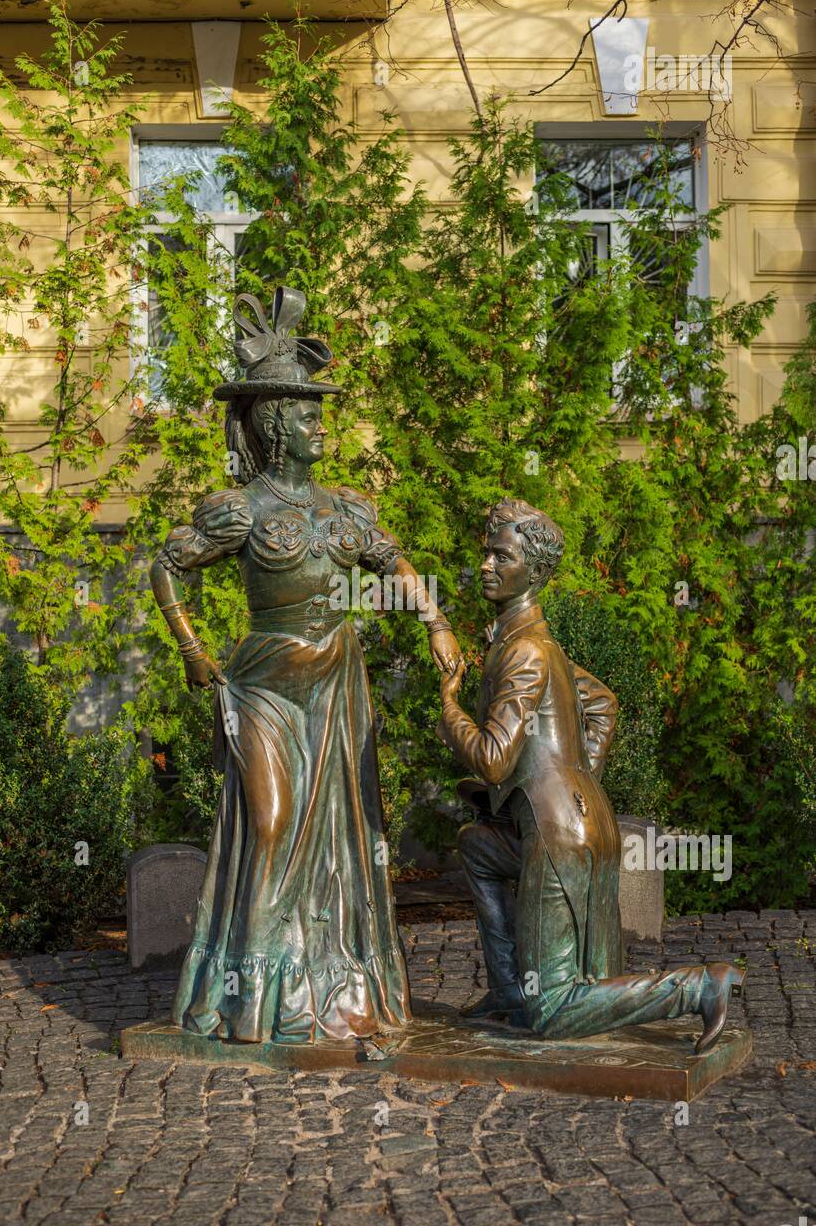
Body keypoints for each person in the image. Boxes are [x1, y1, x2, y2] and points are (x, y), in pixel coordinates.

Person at [151, 286, 461, 1045]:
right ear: (272, 422)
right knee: (270, 823)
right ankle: (243, 997)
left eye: (320, 410)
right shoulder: (241, 510)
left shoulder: (346, 508)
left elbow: (394, 564)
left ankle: (333, 988)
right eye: (305, 411)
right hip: (265, 684)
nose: (320, 421)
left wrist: (436, 621)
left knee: (341, 838)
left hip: (335, 681)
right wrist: (191, 647)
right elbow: (166, 565)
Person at [436, 498, 744, 1053]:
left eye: (500, 556)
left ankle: (699, 986)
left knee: (555, 1011)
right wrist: (578, 780)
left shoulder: (526, 651)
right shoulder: (535, 642)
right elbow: (603, 703)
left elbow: (491, 757)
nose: (485, 565)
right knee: (478, 845)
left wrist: (449, 709)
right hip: (583, 821)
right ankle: (510, 993)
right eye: (486, 554)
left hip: (561, 837)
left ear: (534, 571)